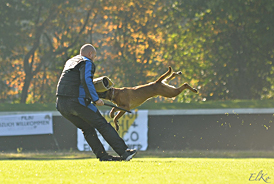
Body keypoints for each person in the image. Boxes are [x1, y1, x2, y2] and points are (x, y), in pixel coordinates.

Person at [56, 44, 137, 161]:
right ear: (90, 54)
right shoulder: (87, 62)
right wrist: (95, 99)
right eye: (94, 56)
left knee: (87, 129)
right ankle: (124, 152)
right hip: (77, 101)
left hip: (61, 104)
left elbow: (74, 81)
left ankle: (103, 157)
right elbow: (86, 80)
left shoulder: (70, 62)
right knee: (102, 124)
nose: (94, 58)